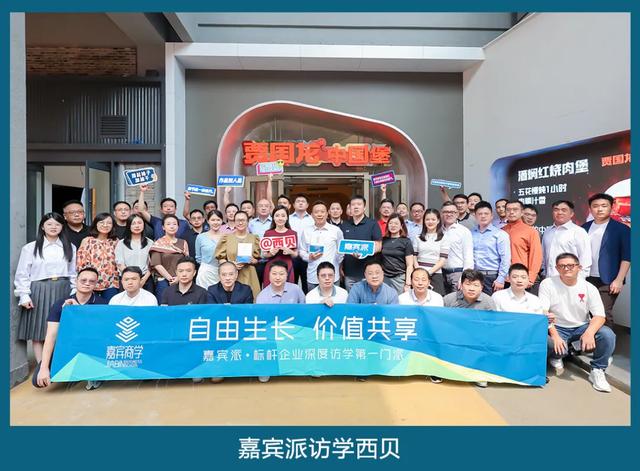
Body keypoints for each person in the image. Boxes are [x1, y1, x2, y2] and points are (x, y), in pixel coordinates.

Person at [539, 253, 616, 393]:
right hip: (557, 327)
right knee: (548, 343)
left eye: (570, 265)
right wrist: (555, 336)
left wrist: (589, 333)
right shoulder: (547, 284)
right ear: (556, 268)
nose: (566, 269)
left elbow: (600, 316)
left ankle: (597, 370)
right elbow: (544, 313)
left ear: (579, 267)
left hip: (581, 327)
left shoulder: (589, 287)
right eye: (562, 266)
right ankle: (559, 354)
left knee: (607, 335)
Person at [15, 212, 76, 364]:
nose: (53, 227)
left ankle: (56, 364)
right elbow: (22, 273)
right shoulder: (30, 248)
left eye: (57, 224)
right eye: (49, 224)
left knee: (61, 328)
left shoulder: (70, 247)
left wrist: (74, 293)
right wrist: (24, 295)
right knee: (38, 329)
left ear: (62, 227)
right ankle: (41, 366)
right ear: (42, 227)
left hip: (63, 289)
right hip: (38, 290)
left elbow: (73, 273)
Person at [35, 267, 107, 390]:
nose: (87, 283)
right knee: (38, 381)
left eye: (91, 281)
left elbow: (99, 334)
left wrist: (77, 310)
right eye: (83, 280)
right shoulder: (60, 304)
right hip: (68, 347)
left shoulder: (103, 304)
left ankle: (93, 374)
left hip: (92, 348)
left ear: (96, 284)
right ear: (76, 281)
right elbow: (51, 336)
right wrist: (44, 368)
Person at [582, 193, 631, 327]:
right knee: (586, 312)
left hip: (609, 279)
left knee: (602, 313)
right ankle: (590, 339)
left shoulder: (622, 229)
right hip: (586, 277)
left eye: (604, 206)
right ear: (590, 209)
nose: (600, 209)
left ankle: (607, 339)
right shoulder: (584, 228)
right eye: (595, 206)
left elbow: (627, 257)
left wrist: (619, 280)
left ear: (611, 207)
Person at [214, 211, 261, 300]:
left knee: (250, 300)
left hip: (249, 274)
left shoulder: (254, 238)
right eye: (238, 220)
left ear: (247, 222)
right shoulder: (227, 237)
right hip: (231, 275)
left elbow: (257, 259)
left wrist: (253, 260)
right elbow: (220, 258)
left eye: (243, 220)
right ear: (234, 222)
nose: (240, 223)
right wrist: (230, 264)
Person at [299, 201, 344, 292]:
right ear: (312, 215)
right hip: (313, 276)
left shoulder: (336, 230)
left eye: (322, 212)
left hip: (332, 276)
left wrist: (338, 261)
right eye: (316, 212)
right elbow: (302, 250)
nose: (319, 214)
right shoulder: (306, 231)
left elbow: (341, 250)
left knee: (334, 300)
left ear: (327, 214)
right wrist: (309, 257)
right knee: (313, 300)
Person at [341, 195, 383, 291]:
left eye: (359, 204)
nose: (356, 207)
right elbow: (341, 247)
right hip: (349, 273)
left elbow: (379, 246)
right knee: (352, 298)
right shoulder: (344, 225)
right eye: (353, 205)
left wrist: (363, 253)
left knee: (368, 298)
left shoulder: (372, 224)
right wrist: (340, 267)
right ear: (349, 208)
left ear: (364, 207)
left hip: (368, 273)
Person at [542, 200, 591, 278]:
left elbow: (585, 259)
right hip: (549, 279)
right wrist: (544, 274)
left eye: (564, 210)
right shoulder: (547, 231)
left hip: (570, 279)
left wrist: (579, 279)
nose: (559, 212)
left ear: (571, 214)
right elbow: (543, 256)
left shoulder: (579, 232)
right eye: (556, 210)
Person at [76, 212, 120, 301]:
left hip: (111, 283)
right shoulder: (87, 241)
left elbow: (119, 262)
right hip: (90, 282)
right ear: (96, 224)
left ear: (112, 225)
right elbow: (80, 263)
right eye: (101, 222)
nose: (105, 225)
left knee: (110, 306)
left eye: (109, 223)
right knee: (91, 307)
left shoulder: (115, 242)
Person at [471, 201, 510, 295]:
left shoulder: (500, 234)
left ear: (491, 216)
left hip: (492, 277)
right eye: (480, 214)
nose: (483, 216)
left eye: (486, 213)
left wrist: (500, 279)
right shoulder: (470, 233)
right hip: (474, 276)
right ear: (475, 216)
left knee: (491, 303)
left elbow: (505, 258)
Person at [501, 200, 542, 290]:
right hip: (503, 278)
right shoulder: (501, 231)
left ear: (522, 212)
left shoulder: (531, 231)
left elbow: (536, 256)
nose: (511, 212)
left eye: (515, 209)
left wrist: (531, 278)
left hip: (522, 278)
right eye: (508, 210)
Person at [149, 214, 189, 302]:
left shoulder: (183, 243)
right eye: (168, 224)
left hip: (182, 280)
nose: (172, 226)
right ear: (163, 227)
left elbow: (187, 263)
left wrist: (178, 278)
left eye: (174, 224)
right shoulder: (158, 243)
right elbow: (156, 264)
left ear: (178, 226)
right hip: (163, 281)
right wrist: (171, 279)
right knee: (164, 306)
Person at [413, 208, 449, 296]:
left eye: (433, 219)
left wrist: (428, 273)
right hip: (419, 275)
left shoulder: (444, 238)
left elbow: (442, 260)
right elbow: (414, 257)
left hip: (436, 274)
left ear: (438, 221)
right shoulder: (417, 238)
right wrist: (419, 271)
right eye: (427, 219)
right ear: (424, 221)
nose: (430, 222)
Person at [440, 201, 474, 294]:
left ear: (457, 214)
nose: (449, 214)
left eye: (452, 212)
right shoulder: (438, 230)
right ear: (441, 214)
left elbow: (468, 256)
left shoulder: (464, 231)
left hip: (457, 273)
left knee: (457, 300)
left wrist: (465, 277)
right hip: (441, 273)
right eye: (446, 212)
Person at [115, 214, 154, 293]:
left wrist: (143, 279)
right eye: (133, 223)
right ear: (129, 226)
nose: (137, 226)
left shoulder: (150, 243)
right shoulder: (121, 243)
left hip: (145, 279)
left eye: (139, 223)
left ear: (143, 225)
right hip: (127, 279)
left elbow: (152, 264)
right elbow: (120, 263)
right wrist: (132, 278)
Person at [262, 206, 297, 288]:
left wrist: (290, 251)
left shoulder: (292, 233)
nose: (280, 218)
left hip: (287, 266)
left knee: (288, 291)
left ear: (287, 218)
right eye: (277, 215)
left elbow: (295, 254)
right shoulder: (268, 233)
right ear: (273, 218)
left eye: (283, 215)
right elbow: (264, 254)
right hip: (271, 267)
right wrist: (270, 253)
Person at [379, 213, 413, 294]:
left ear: (401, 226)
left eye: (396, 223)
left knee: (399, 301)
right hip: (384, 277)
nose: (393, 225)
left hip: (399, 278)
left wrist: (408, 283)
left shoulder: (406, 241)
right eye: (390, 223)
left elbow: (410, 265)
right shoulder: (383, 240)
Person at [289, 194, 315, 293]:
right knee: (292, 285)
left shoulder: (312, 219)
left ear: (307, 205)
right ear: (293, 205)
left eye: (303, 201)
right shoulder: (288, 219)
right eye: (298, 201)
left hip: (308, 256)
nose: (300, 203)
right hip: (291, 255)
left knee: (307, 285)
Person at [195, 209, 224, 290]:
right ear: (208, 221)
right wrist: (207, 266)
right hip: (205, 273)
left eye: (218, 220)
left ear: (222, 221)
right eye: (213, 220)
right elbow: (198, 257)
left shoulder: (226, 237)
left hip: (223, 273)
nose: (215, 222)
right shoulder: (201, 237)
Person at [249, 198, 274, 283]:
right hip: (256, 261)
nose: (263, 208)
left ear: (270, 208)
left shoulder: (274, 223)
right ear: (256, 208)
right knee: (256, 286)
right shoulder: (251, 223)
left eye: (266, 206)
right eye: (261, 206)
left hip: (271, 261)